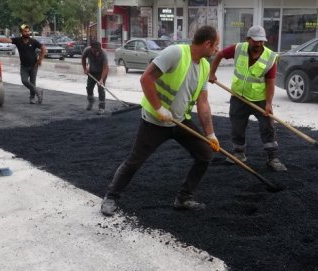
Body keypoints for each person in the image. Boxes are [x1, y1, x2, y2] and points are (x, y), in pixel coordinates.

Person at [101, 26, 221, 216]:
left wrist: (210, 134)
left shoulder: (205, 66)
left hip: (180, 121)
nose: (217, 49)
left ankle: (183, 198)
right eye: (216, 45)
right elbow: (146, 79)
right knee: (135, 161)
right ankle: (111, 197)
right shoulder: (176, 53)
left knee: (205, 154)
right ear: (207, 43)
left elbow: (203, 103)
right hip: (154, 122)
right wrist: (158, 108)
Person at [208, 25, 286, 172]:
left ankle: (272, 158)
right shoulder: (238, 48)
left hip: (260, 99)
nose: (259, 44)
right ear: (248, 39)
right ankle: (239, 154)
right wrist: (212, 73)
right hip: (239, 97)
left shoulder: (270, 57)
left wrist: (268, 103)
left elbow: (270, 83)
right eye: (256, 41)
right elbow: (219, 55)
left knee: (267, 127)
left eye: (262, 41)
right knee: (237, 126)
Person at [0, 24, 46, 104]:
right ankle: (38, 92)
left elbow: (43, 48)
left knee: (32, 82)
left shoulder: (33, 41)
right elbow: (7, 40)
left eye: (28, 31)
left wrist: (40, 60)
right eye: (25, 31)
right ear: (21, 32)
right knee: (24, 81)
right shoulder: (18, 40)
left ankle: (32, 98)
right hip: (24, 66)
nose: (27, 33)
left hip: (34, 66)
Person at [81, 41, 109, 113]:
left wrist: (102, 79)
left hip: (102, 72)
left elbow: (105, 68)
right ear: (91, 48)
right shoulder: (87, 50)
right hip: (92, 72)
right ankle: (91, 101)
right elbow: (83, 58)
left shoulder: (103, 54)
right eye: (95, 51)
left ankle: (101, 107)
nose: (97, 53)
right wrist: (85, 69)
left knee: (101, 89)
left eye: (98, 51)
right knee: (89, 87)